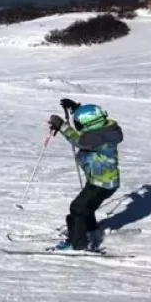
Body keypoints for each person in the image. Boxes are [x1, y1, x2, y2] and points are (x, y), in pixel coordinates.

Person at [46, 98, 122, 251]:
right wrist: (76, 110)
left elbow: (79, 140)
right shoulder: (105, 130)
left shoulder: (98, 137)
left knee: (77, 208)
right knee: (87, 207)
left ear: (91, 124)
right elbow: (86, 131)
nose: (78, 127)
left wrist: (62, 126)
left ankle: (78, 244)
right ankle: (91, 230)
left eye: (79, 124)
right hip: (103, 182)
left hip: (100, 183)